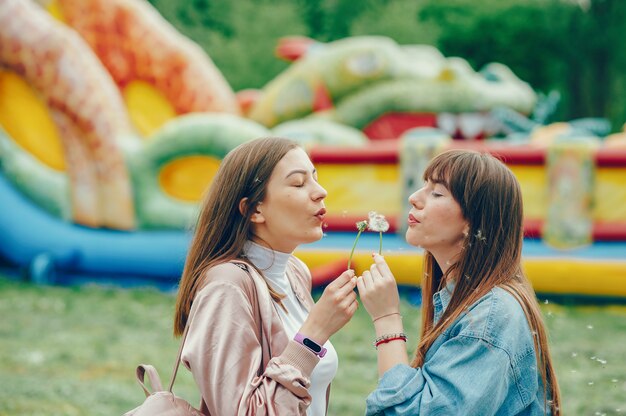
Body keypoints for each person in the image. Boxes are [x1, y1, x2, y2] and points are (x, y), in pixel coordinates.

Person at [356, 149, 561, 415]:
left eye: (437, 193)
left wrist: (387, 319)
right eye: (424, 186)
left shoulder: (491, 316)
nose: (414, 198)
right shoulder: (462, 299)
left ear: (473, 222)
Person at [173, 137, 358, 415]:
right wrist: (314, 334)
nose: (320, 192)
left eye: (315, 178)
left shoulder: (295, 273)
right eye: (298, 183)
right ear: (253, 209)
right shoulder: (226, 286)